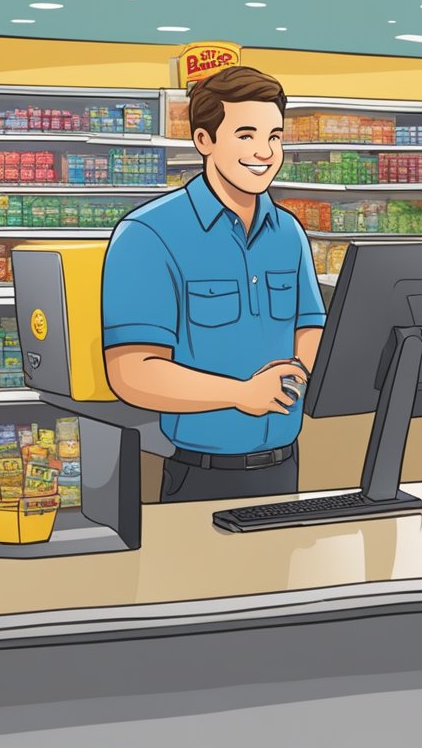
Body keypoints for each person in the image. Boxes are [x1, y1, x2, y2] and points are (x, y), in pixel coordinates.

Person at [100, 66, 325, 503]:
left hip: (285, 467)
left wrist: (296, 372)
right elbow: (130, 372)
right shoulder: (149, 234)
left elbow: (309, 327)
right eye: (246, 135)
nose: (264, 152)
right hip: (200, 475)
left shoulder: (289, 232)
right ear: (204, 140)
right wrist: (242, 394)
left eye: (274, 137)